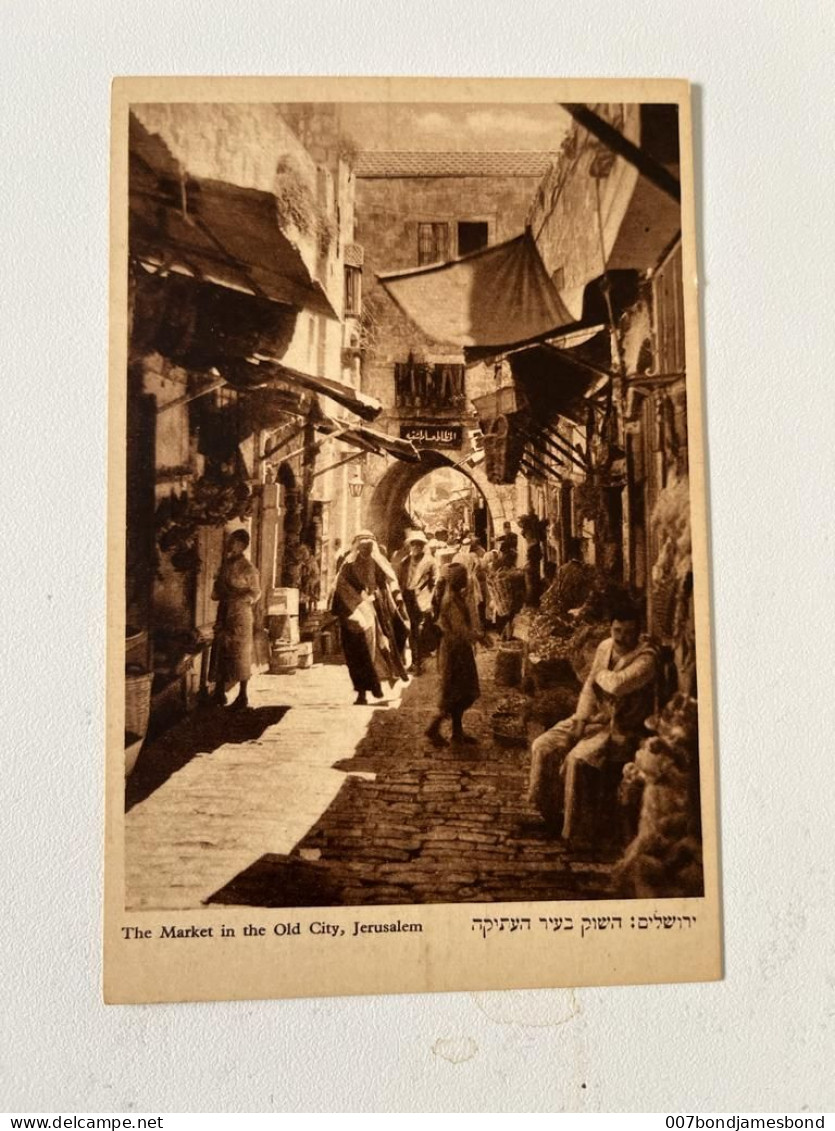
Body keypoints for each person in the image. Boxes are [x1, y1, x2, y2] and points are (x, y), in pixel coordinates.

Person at [527, 601, 657, 842]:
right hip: (595, 718)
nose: (622, 637)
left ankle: (574, 831)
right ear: (611, 628)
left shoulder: (646, 659)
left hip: (620, 727)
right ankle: (549, 814)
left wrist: (598, 675)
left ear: (638, 632)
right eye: (617, 631)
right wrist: (580, 718)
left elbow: (618, 685)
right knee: (543, 746)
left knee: (577, 760)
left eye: (629, 632)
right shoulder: (605, 646)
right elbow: (589, 687)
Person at [331, 530, 409, 705]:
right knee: (358, 655)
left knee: (383, 648)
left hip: (378, 612)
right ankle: (362, 692)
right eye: (362, 547)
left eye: (369, 547)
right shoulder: (348, 565)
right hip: (354, 613)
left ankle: (382, 681)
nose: (365, 551)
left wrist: (396, 597)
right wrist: (354, 604)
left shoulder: (378, 562)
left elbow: (390, 580)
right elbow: (340, 588)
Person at [425, 563, 481, 747]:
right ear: (457, 580)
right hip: (455, 651)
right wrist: (479, 637)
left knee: (460, 691)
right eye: (463, 577)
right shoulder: (451, 601)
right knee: (456, 692)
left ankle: (457, 732)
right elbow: (459, 630)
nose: (466, 580)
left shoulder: (456, 597)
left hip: (457, 648)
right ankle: (434, 727)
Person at [211, 529, 261, 710]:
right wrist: (220, 590)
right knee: (220, 649)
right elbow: (215, 594)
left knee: (240, 653)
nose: (230, 544)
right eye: (230, 541)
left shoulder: (248, 569)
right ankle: (218, 691)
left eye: (234, 541)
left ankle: (243, 695)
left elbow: (255, 593)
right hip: (224, 610)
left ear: (243, 546)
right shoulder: (224, 565)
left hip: (240, 614)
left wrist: (238, 597)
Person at [397, 530, 437, 675]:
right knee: (411, 631)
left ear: (422, 546)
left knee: (419, 631)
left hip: (422, 599)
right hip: (407, 597)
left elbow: (435, 581)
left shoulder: (429, 561)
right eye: (413, 545)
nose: (415, 548)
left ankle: (419, 663)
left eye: (418, 545)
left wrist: (429, 598)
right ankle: (415, 662)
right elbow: (400, 579)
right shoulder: (405, 562)